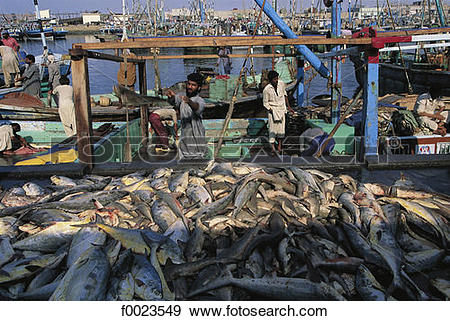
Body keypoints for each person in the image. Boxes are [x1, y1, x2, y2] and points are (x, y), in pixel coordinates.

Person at [165, 72, 206, 159]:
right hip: (185, 136)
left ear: (198, 88)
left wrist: (189, 102)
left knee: (197, 159)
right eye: (189, 84)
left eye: (193, 85)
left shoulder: (200, 100)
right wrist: (171, 96)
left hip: (196, 138)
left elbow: (197, 107)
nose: (190, 87)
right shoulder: (183, 97)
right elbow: (175, 101)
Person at [262, 70, 294, 155]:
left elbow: (285, 95)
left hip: (282, 109)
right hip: (273, 110)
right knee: (272, 130)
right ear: (270, 80)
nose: (276, 80)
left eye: (277, 78)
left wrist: (289, 107)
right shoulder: (266, 90)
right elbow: (265, 103)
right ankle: (273, 148)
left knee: (281, 130)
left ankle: (279, 147)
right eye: (274, 79)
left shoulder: (281, 84)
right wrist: (272, 111)